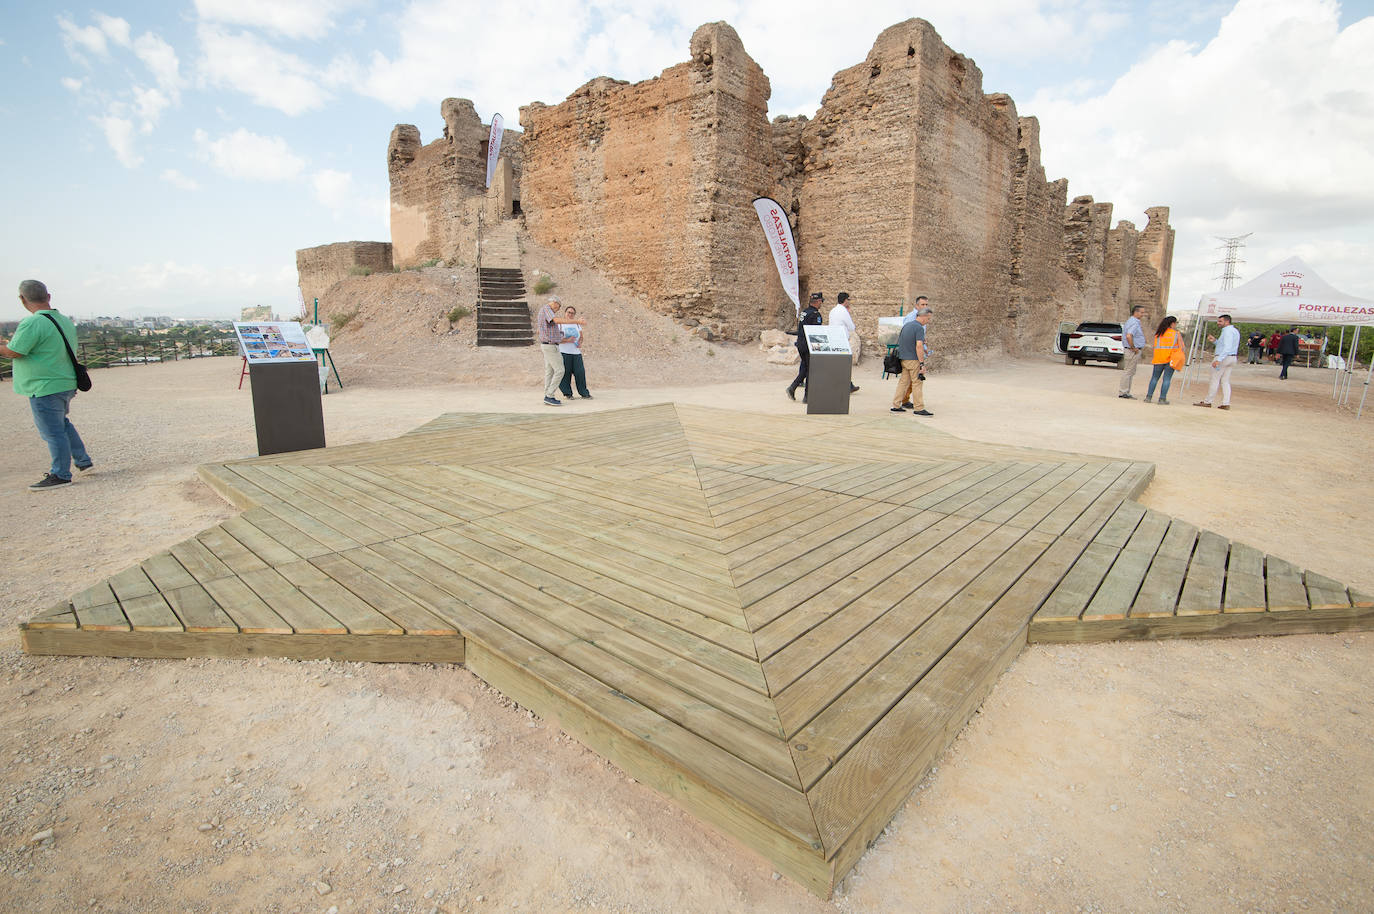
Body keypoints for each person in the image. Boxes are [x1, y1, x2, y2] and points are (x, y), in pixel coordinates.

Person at [0, 280, 94, 490]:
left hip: (44, 385)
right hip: (65, 381)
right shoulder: (63, 320)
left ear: (22, 299)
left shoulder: (32, 323)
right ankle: (82, 460)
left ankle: (60, 474)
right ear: (48, 297)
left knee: (52, 431)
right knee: (61, 423)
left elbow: (16, 351)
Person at [890, 306, 933, 416]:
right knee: (917, 383)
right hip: (913, 360)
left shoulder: (907, 326)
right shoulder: (919, 328)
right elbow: (919, 346)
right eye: (928, 319)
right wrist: (922, 363)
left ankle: (896, 405)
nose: (928, 321)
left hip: (904, 359)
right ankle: (919, 408)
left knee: (903, 383)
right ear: (923, 317)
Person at [1194, 313, 1239, 410]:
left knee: (1214, 379)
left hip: (1224, 357)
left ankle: (1208, 401)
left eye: (1220, 321)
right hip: (1232, 357)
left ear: (1227, 321)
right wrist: (1215, 341)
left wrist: (1219, 359)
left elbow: (1226, 347)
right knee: (1225, 381)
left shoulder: (1227, 331)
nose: (1218, 323)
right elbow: (1225, 345)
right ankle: (1226, 403)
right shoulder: (1234, 331)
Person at [786, 292, 824, 402]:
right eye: (821, 301)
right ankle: (807, 397)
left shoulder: (804, 312)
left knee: (806, 369)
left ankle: (792, 388)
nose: (821, 303)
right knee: (810, 370)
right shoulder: (815, 314)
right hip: (808, 345)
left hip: (801, 344)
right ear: (817, 302)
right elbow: (816, 332)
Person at [536, 294, 572, 405]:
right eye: (558, 307)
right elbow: (556, 320)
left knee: (550, 371)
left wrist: (564, 338)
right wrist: (577, 322)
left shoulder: (545, 312)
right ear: (555, 303)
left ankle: (547, 394)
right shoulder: (547, 309)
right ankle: (549, 395)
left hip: (548, 345)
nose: (557, 310)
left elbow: (550, 331)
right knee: (560, 370)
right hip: (550, 346)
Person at [1143, 314, 1183, 405]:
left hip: (1158, 359)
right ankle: (1162, 399)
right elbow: (1181, 347)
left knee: (1154, 378)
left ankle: (1148, 397)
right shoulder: (1176, 334)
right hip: (1170, 359)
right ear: (1172, 323)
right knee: (1167, 379)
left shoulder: (1158, 334)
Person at [556, 304, 592, 400]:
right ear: (565, 313)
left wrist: (580, 342)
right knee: (565, 373)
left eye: (572, 313)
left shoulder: (576, 324)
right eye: (568, 312)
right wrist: (567, 340)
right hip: (564, 352)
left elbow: (581, 337)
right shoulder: (560, 324)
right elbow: (556, 339)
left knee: (580, 373)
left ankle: (584, 393)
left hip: (576, 352)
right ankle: (567, 393)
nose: (570, 314)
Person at [829, 292, 860, 393]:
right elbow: (851, 327)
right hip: (841, 341)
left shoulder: (833, 311)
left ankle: (847, 384)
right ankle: (846, 386)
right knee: (844, 365)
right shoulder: (843, 311)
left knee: (836, 364)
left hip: (833, 339)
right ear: (845, 300)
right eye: (848, 300)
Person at [1118, 304, 1146, 399]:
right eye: (1141, 312)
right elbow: (1129, 335)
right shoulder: (1134, 322)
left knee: (1130, 371)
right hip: (1132, 351)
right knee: (1128, 371)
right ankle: (1124, 392)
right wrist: (1133, 347)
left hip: (1131, 349)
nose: (1143, 314)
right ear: (1136, 312)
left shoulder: (1132, 321)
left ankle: (1126, 391)